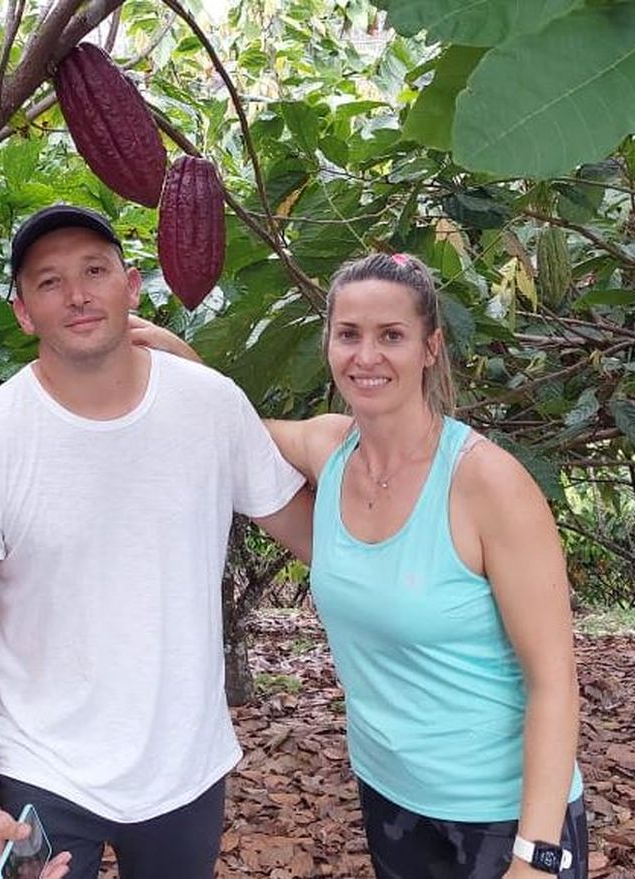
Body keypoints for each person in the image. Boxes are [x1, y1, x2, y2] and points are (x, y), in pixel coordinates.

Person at [131, 251, 587, 879]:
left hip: (503, 813)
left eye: (391, 336)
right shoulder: (328, 446)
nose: (365, 357)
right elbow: (232, 433)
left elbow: (555, 680)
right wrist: (178, 358)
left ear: (430, 347)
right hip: (390, 795)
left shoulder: (488, 484)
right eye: (349, 334)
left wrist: (537, 853)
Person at [0, 204, 312, 879]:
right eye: (49, 282)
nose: (76, 295)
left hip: (182, 764)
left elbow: (309, 530)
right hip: (44, 766)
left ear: (131, 287)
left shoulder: (209, 404)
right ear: (22, 312)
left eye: (94, 271)